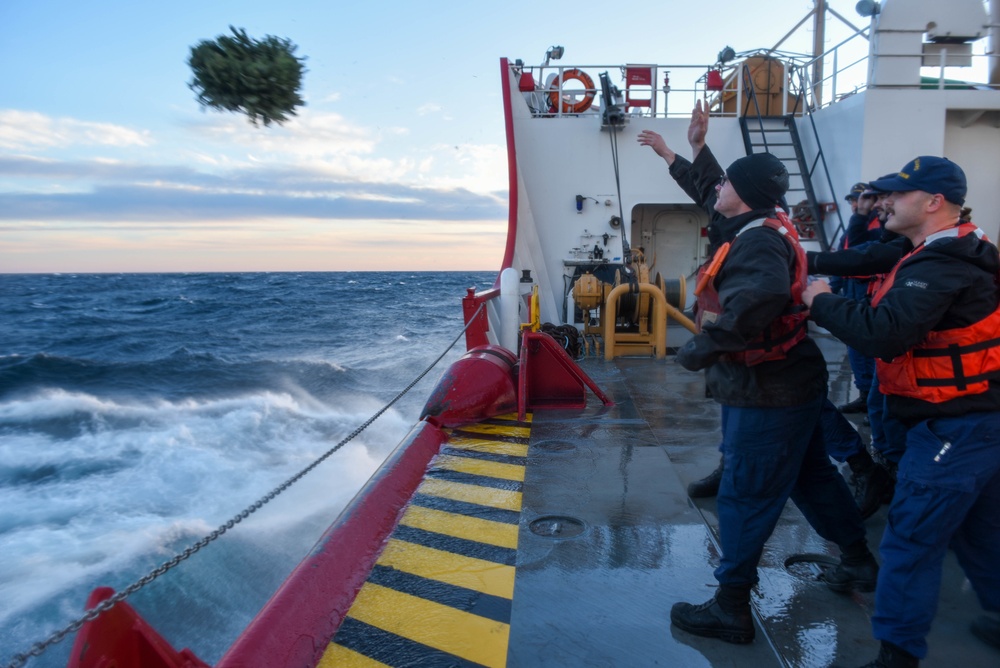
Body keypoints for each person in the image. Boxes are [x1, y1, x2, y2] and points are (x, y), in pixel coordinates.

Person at [645, 101, 878, 646]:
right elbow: (712, 188)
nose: (718, 185)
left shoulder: (756, 241)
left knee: (746, 493)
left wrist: (701, 348)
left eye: (727, 181)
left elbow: (764, 297)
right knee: (811, 475)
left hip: (767, 387)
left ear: (743, 195)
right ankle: (858, 558)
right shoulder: (757, 220)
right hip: (791, 380)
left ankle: (731, 607)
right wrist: (682, 153)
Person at [803, 156, 1000, 667]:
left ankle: (897, 655)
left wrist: (819, 301)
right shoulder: (940, 250)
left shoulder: (943, 265)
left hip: (954, 426)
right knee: (979, 530)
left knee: (911, 538)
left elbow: (885, 334)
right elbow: (870, 257)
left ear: (935, 203)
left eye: (897, 194)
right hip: (977, 420)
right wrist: (814, 264)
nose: (884, 202)